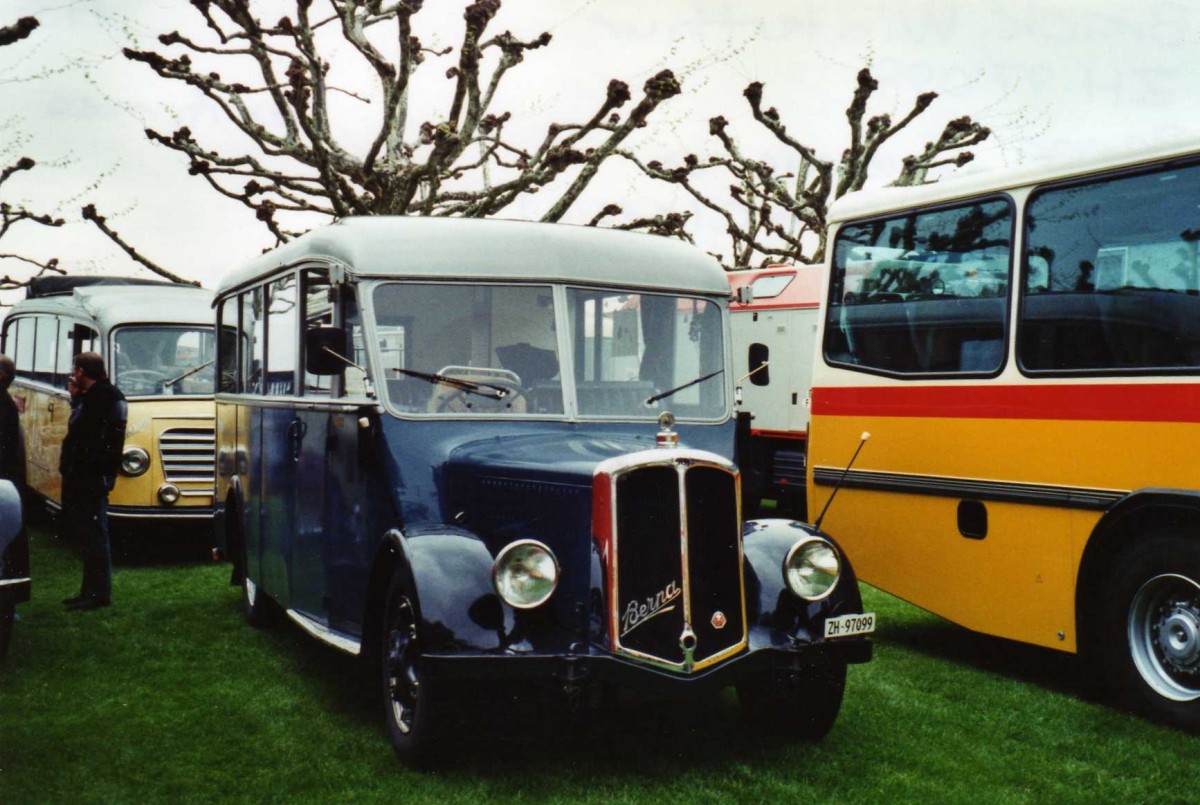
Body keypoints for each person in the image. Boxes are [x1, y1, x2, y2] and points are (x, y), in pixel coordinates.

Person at [60, 352, 127, 611]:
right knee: (89, 536)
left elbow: (85, 434)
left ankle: (98, 594)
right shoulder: (102, 395)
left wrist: (77, 399)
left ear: (80, 371)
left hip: (90, 476)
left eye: (75, 370)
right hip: (89, 474)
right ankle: (89, 591)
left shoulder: (102, 397)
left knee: (95, 536)